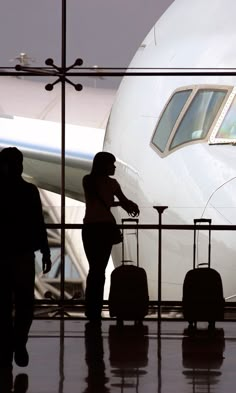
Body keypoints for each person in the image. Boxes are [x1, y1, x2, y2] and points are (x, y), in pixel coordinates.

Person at [0, 147, 52, 368]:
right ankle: (19, 343)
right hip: (23, 254)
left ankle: (6, 347)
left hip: (2, 255)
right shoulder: (29, 191)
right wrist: (45, 250)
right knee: (25, 303)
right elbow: (38, 223)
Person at [82, 151, 139, 322]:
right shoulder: (113, 184)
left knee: (94, 270)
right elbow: (123, 201)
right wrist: (129, 205)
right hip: (105, 229)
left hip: (89, 228)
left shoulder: (88, 180)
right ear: (104, 165)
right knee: (100, 270)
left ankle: (91, 309)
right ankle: (96, 308)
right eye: (111, 164)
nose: (114, 167)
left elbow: (97, 199)